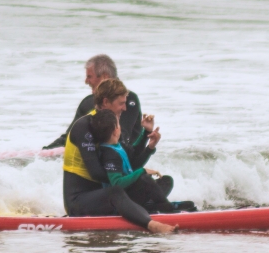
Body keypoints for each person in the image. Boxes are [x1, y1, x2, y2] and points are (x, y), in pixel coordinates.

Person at [62, 79, 175, 233]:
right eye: (121, 103)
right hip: (79, 201)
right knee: (118, 190)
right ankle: (152, 224)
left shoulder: (112, 125)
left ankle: (152, 212)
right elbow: (96, 173)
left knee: (161, 182)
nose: (125, 108)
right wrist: (131, 177)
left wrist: (147, 140)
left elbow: (131, 164)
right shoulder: (84, 126)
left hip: (106, 195)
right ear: (106, 102)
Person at [92, 109, 197, 214]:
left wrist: (148, 140)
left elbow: (133, 154)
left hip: (131, 194)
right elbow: (117, 183)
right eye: (118, 123)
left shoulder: (116, 145)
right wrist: (142, 171)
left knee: (166, 181)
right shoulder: (109, 154)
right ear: (115, 130)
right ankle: (168, 208)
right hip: (121, 200)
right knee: (144, 179)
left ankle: (152, 207)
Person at [43, 54, 143, 149]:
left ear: (105, 77)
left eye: (89, 76)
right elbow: (69, 137)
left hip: (126, 161)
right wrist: (42, 153)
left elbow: (123, 138)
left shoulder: (128, 100)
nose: (86, 81)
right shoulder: (88, 102)